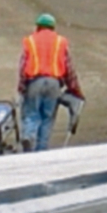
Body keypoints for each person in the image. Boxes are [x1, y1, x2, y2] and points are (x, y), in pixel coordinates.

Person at [18, 13, 84, 151]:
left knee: (31, 114)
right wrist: (75, 90)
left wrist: (22, 87)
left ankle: (28, 137)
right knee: (47, 119)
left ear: (38, 26)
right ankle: (41, 149)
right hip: (54, 84)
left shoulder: (29, 40)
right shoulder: (61, 42)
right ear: (53, 27)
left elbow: (23, 66)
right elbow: (69, 69)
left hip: (34, 83)